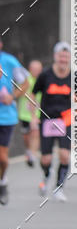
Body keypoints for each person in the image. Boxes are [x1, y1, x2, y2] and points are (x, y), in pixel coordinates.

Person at [33, 43, 72, 201]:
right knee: (46, 159)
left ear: (69, 58)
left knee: (64, 155)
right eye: (61, 56)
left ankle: (59, 187)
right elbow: (33, 94)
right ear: (55, 57)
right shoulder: (45, 75)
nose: (63, 59)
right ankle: (46, 175)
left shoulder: (74, 77)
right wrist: (33, 117)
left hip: (66, 121)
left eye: (66, 57)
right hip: (47, 121)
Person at [0, 37, 29, 205]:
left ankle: (2, 182)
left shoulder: (9, 61)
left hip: (6, 117)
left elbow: (25, 83)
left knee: (3, 158)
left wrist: (12, 96)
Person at [18, 59, 42, 166]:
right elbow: (17, 93)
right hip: (25, 114)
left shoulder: (43, 80)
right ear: (30, 69)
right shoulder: (25, 81)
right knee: (26, 137)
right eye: (34, 69)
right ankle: (28, 150)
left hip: (37, 113)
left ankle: (32, 155)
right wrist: (24, 90)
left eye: (38, 69)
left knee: (36, 133)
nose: (36, 71)